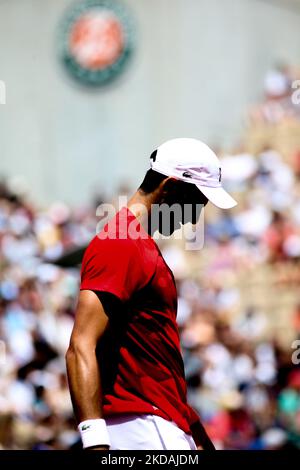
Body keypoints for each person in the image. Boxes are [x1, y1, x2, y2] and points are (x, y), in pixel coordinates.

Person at [66, 138, 237, 450]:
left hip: (159, 423)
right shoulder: (120, 241)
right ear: (170, 188)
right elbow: (80, 345)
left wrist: (193, 431)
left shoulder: (136, 244)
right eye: (196, 202)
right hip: (140, 427)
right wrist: (95, 443)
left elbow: (155, 359)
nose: (194, 217)